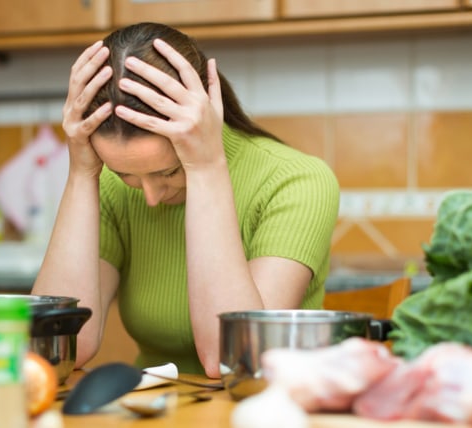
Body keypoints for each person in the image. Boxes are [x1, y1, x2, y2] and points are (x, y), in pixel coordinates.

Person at [31, 22, 339, 378]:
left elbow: (234, 361)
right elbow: (63, 348)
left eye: (169, 173)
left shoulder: (296, 182)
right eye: (125, 175)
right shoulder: (108, 186)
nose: (149, 197)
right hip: (153, 409)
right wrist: (82, 174)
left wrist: (206, 168)